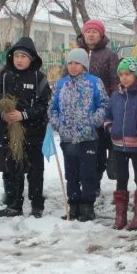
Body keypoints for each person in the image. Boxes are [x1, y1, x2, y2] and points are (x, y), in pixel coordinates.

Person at [0, 37, 51, 218]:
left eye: (23, 56)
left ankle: (36, 204)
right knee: (13, 169)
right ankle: (14, 204)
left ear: (31, 58)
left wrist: (24, 114)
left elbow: (43, 105)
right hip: (10, 132)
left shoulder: (38, 78)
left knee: (35, 170)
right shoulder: (4, 77)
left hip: (34, 132)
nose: (19, 60)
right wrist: (3, 114)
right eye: (16, 56)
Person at [49, 48, 109, 221]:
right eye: (70, 63)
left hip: (88, 137)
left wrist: (92, 121)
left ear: (84, 65)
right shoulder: (62, 84)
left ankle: (87, 205)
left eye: (77, 63)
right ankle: (73, 204)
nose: (73, 67)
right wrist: (58, 124)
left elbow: (104, 105)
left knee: (87, 172)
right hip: (67, 137)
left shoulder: (94, 82)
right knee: (71, 173)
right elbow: (53, 107)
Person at [106, 58, 137, 230]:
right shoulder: (116, 95)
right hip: (118, 144)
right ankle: (120, 216)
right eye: (121, 74)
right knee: (121, 178)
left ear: (136, 75)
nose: (124, 78)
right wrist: (110, 126)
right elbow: (108, 114)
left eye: (128, 74)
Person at [80, 19, 119, 183]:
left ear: (101, 34)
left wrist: (110, 108)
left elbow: (115, 83)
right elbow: (65, 77)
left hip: (101, 108)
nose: (90, 34)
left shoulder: (109, 55)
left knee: (98, 148)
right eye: (88, 31)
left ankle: (95, 181)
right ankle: (85, 180)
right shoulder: (77, 53)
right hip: (80, 109)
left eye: (94, 32)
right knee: (82, 147)